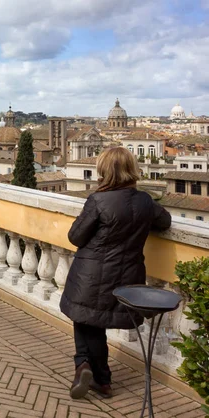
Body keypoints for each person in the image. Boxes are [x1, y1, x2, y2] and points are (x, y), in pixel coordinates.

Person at [60, 147, 171, 400]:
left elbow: (75, 236)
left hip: (90, 273)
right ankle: (92, 374)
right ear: (132, 170)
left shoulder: (98, 201)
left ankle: (91, 371)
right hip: (126, 275)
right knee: (91, 320)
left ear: (103, 171)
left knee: (87, 320)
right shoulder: (145, 201)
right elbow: (164, 222)